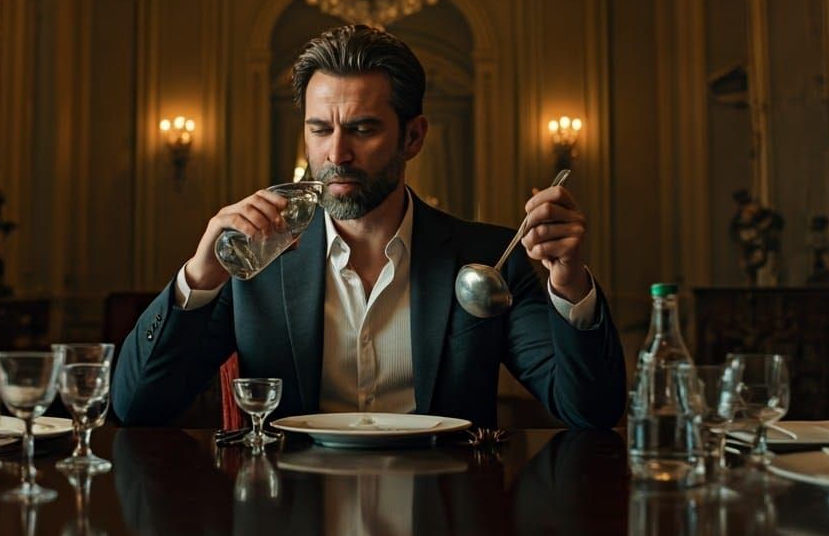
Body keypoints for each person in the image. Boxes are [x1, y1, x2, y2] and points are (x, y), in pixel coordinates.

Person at [113, 24, 626, 428]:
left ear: (414, 137)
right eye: (320, 129)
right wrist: (200, 275)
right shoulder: (258, 262)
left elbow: (590, 411)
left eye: (362, 129)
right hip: (289, 528)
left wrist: (569, 281)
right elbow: (138, 406)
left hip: (445, 530)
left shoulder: (489, 258)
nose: (336, 153)